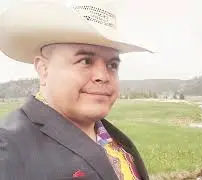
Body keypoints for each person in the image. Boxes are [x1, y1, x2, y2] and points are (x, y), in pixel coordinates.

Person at [0, 0, 152, 180]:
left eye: (112, 64)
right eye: (85, 61)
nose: (103, 76)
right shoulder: (9, 148)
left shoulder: (116, 142)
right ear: (43, 68)